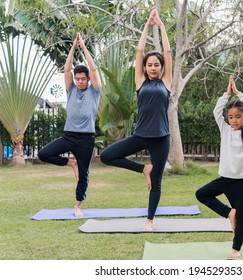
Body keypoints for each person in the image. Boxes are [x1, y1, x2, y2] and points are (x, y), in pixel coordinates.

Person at [100, 9, 172, 232]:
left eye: (156, 65)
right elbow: (140, 51)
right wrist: (146, 27)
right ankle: (143, 170)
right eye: (149, 65)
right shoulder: (140, 81)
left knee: (157, 184)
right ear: (145, 68)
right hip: (141, 135)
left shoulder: (166, 83)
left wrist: (160, 27)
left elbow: (168, 52)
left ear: (161, 68)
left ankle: (149, 220)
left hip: (161, 138)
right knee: (106, 155)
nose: (153, 67)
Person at [195, 75, 243, 259]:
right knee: (201, 193)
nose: (234, 120)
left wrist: (239, 94)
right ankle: (228, 213)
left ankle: (236, 249)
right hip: (226, 179)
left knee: (242, 216)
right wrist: (226, 94)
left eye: (238, 117)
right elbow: (217, 111)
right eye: (230, 117)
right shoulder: (225, 130)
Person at [38, 33, 100, 218]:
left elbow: (94, 70)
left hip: (86, 139)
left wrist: (84, 48)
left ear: (88, 79)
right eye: (77, 78)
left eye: (83, 78)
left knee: (84, 174)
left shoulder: (94, 92)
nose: (80, 81)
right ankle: (69, 162)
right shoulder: (71, 90)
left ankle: (78, 206)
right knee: (44, 154)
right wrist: (73, 48)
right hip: (69, 136)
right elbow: (66, 71)